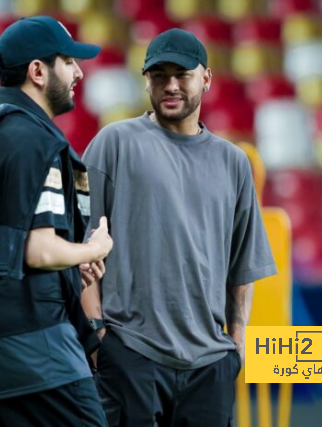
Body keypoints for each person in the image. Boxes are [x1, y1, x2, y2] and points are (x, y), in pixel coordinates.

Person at [81, 28, 278, 426]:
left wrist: (235, 346)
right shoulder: (113, 144)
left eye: (182, 74)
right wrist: (99, 337)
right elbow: (79, 251)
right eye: (159, 75)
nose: (170, 85)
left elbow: (243, 267)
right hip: (130, 353)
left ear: (206, 78)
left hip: (210, 364)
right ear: (146, 80)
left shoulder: (234, 163)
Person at [0, 16, 113, 427]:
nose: (79, 72)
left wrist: (70, 268)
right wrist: (95, 248)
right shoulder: (38, 139)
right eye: (68, 61)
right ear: (38, 71)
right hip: (32, 353)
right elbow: (39, 249)